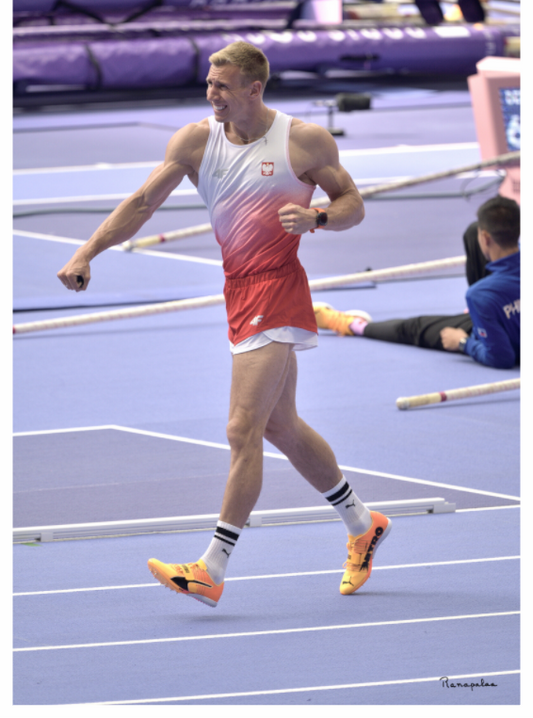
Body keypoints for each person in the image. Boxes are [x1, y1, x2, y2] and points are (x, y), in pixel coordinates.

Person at [57, 41, 392, 608]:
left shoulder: (301, 140)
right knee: (279, 427)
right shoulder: (195, 142)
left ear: (254, 89)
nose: (211, 94)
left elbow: (352, 203)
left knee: (241, 429)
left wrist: (316, 217)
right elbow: (142, 202)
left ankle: (212, 566)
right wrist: (87, 252)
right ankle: (364, 524)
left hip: (278, 287)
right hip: (237, 289)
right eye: (209, 83)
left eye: (222, 86)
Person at [314, 195, 520, 370]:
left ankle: (351, 325)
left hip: (498, 327)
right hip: (508, 299)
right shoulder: (483, 290)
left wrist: (463, 342)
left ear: (486, 238)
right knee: (472, 230)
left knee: (414, 328)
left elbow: (502, 358)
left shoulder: (480, 294)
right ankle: (479, 315)